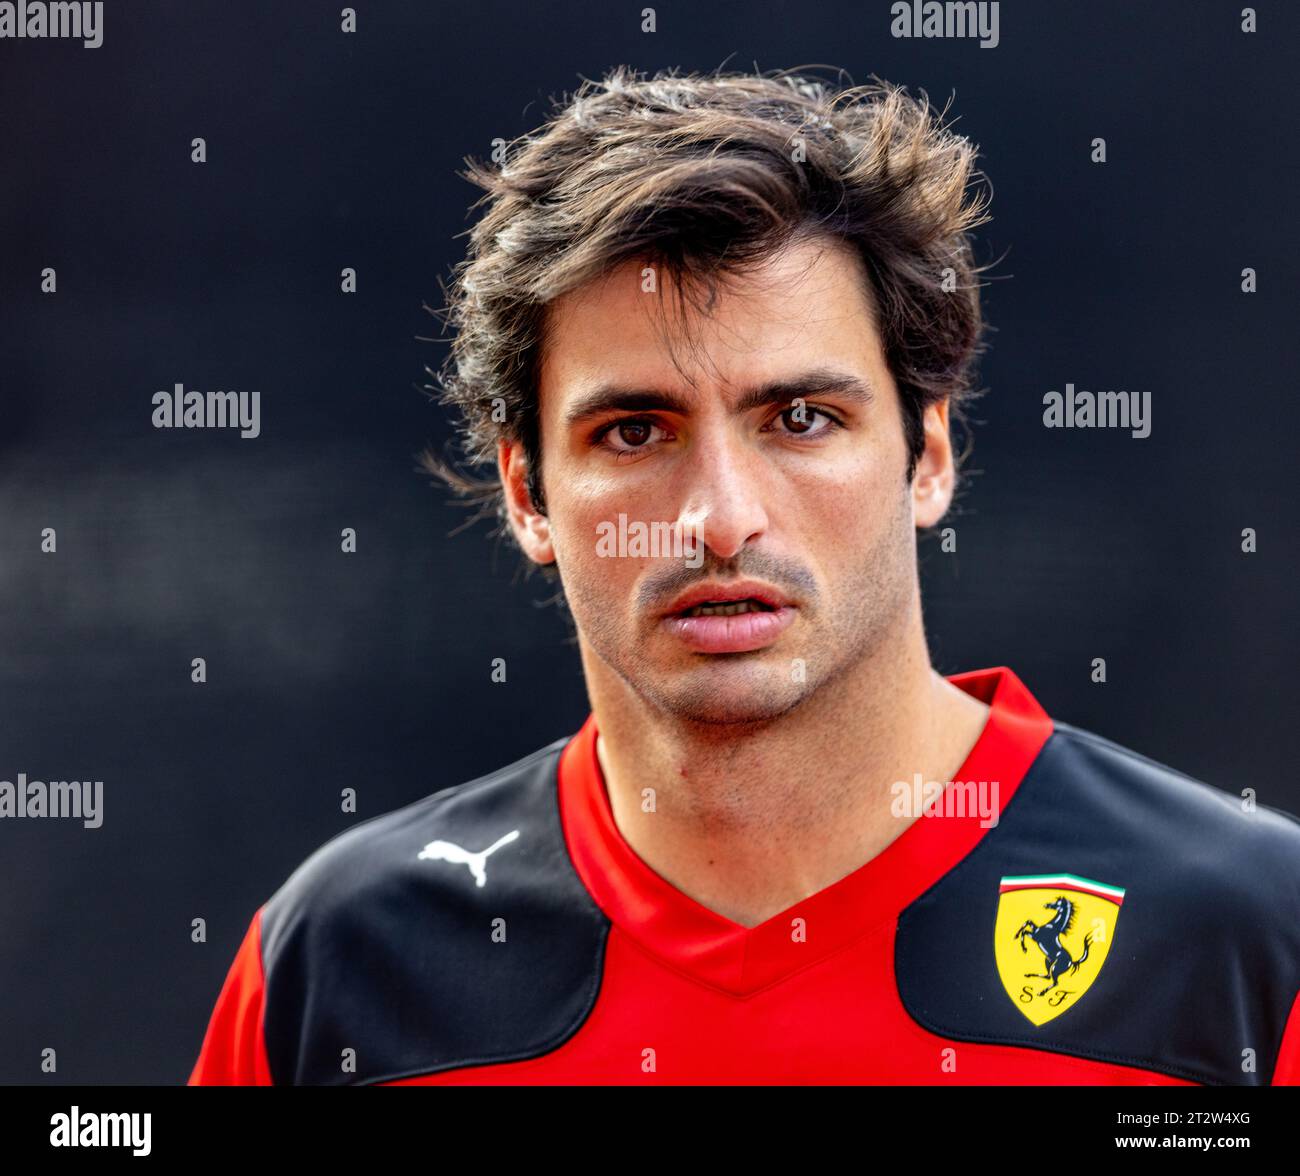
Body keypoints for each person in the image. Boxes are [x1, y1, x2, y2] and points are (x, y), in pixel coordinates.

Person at [189, 65, 1300, 1086]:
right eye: (634, 432)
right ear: (528, 493)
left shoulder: (1246, 936)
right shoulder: (342, 960)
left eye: (801, 418)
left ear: (928, 456)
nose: (721, 519)